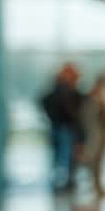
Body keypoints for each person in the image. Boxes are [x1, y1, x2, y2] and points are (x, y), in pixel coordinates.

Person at [40, 63, 84, 193]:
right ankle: (62, 182)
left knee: (61, 156)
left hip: (60, 126)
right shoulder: (63, 90)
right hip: (64, 127)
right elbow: (70, 111)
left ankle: (63, 182)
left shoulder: (58, 89)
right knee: (64, 156)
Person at [81, 72, 105, 197]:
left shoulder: (101, 96)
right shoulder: (93, 97)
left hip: (102, 134)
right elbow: (89, 119)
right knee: (95, 162)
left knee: (99, 162)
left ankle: (98, 186)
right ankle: (96, 187)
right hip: (96, 134)